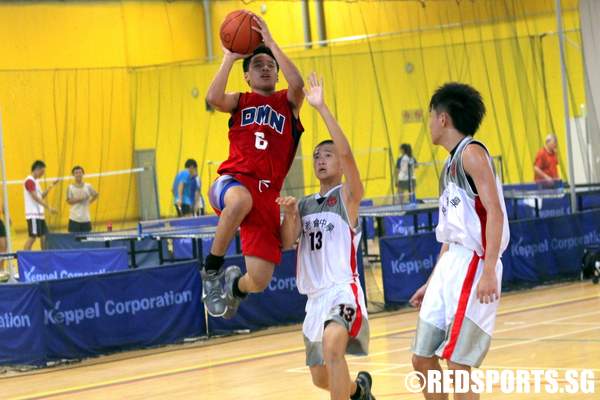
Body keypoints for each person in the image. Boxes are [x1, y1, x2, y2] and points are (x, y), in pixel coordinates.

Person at [409, 83, 510, 399]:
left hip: (475, 262)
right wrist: (432, 280)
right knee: (422, 359)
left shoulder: (472, 154)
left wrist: (490, 269)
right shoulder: (448, 165)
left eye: (429, 117)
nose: (428, 125)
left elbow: (494, 212)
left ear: (442, 119)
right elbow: (449, 235)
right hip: (450, 265)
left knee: (457, 364)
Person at [278, 73, 374, 400]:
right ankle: (359, 392)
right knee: (322, 378)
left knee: (334, 348)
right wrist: (291, 215)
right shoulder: (304, 204)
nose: (321, 159)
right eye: (317, 156)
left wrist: (321, 108)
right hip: (314, 300)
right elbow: (285, 242)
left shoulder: (347, 196)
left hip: (342, 292)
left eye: (327, 155)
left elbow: (347, 155)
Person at [203, 15, 304, 318]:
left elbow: (297, 83)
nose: (264, 68)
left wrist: (270, 43)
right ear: (247, 76)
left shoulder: (287, 104)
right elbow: (212, 98)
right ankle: (210, 272)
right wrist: (230, 58)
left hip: (267, 194)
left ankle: (235, 288)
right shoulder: (241, 101)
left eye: (269, 65)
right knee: (240, 200)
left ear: (276, 74)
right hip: (233, 181)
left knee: (259, 280)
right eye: (257, 65)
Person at [23, 160, 58, 250]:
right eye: (42, 172)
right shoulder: (29, 181)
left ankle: (44, 256)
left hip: (40, 215)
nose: (42, 174)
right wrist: (49, 208)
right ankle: (24, 257)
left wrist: (51, 185)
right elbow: (35, 198)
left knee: (44, 236)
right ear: (37, 169)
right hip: (33, 215)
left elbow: (41, 196)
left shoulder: (36, 182)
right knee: (33, 237)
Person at [66, 166, 98, 233]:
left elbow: (96, 194)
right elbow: (68, 201)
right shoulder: (70, 187)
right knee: (73, 240)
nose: (78, 174)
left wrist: (89, 202)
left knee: (86, 240)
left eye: (80, 172)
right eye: (76, 173)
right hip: (74, 219)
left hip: (86, 219)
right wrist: (80, 199)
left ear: (83, 174)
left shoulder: (88, 186)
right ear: (73, 175)